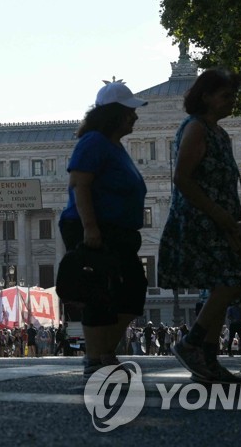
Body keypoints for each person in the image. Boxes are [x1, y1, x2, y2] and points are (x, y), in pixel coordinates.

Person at [160, 68, 241, 383]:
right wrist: (218, 212)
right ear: (206, 97)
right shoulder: (196, 129)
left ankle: (208, 362)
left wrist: (236, 212)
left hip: (222, 219)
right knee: (229, 281)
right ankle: (191, 343)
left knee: (224, 284)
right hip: (202, 220)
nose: (232, 102)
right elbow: (182, 178)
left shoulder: (219, 132)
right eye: (226, 96)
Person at [59, 79, 150, 376]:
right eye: (130, 112)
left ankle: (103, 353)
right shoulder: (94, 142)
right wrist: (91, 228)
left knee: (132, 291)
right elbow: (80, 184)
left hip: (118, 230)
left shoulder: (114, 145)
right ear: (116, 114)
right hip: (96, 228)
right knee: (99, 292)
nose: (135, 117)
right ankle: (98, 359)